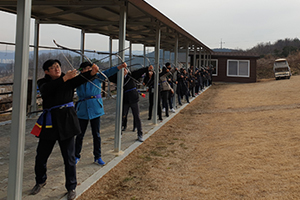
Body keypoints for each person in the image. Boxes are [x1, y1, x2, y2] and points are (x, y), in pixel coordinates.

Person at [30, 59, 99, 200]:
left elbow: (80, 79)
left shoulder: (68, 79)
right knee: (41, 155)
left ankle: (71, 187)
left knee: (69, 158)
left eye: (58, 66)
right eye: (53, 67)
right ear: (46, 71)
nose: (57, 69)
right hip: (49, 123)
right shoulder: (43, 82)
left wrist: (91, 73)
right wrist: (65, 78)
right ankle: (40, 180)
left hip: (67, 122)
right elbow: (46, 90)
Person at [75, 61, 127, 166]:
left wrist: (120, 66)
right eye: (85, 69)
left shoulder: (98, 77)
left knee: (97, 135)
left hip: (95, 108)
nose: (88, 70)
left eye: (90, 68)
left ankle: (97, 157)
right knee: (80, 135)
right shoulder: (78, 80)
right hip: (82, 109)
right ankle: (76, 156)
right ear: (82, 70)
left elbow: (108, 72)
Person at [109, 65, 153, 142]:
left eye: (125, 69)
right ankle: (119, 133)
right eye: (122, 70)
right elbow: (109, 77)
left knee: (137, 117)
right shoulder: (118, 77)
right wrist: (116, 71)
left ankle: (140, 134)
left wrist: (147, 68)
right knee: (122, 116)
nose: (124, 71)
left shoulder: (131, 75)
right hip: (125, 99)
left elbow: (139, 71)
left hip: (134, 99)